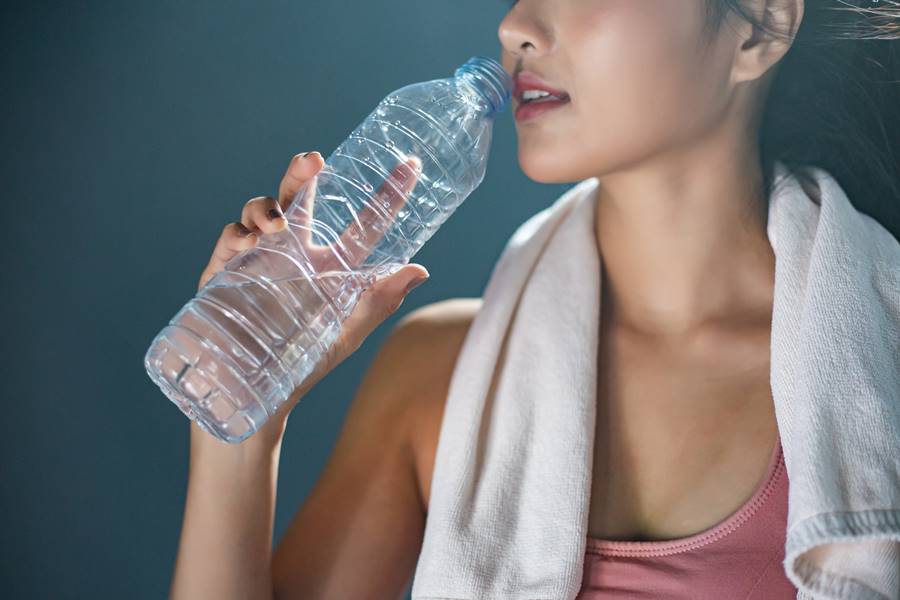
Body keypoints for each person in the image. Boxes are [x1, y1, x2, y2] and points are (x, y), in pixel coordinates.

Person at [168, 1, 900, 598]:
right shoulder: (434, 382)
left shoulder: (882, 380)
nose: (516, 24)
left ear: (763, 27)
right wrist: (241, 410)